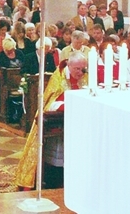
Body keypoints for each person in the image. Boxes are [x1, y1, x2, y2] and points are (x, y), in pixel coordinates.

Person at [14, 52, 88, 190]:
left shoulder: (86, 76)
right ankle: (49, 177)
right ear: (69, 65)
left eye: (83, 69)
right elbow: (50, 102)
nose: (80, 72)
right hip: (54, 118)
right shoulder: (58, 77)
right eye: (77, 69)